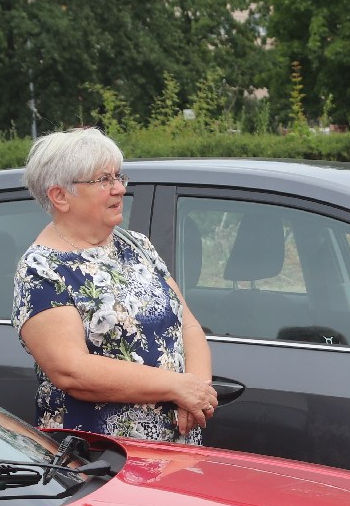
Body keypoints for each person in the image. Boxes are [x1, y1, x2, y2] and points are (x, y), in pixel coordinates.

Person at [12, 127, 215, 442]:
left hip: (175, 450)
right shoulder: (42, 270)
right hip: (101, 459)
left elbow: (187, 325)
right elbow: (72, 370)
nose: (119, 188)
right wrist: (177, 387)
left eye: (119, 177)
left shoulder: (136, 244)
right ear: (60, 196)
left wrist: (197, 391)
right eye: (103, 180)